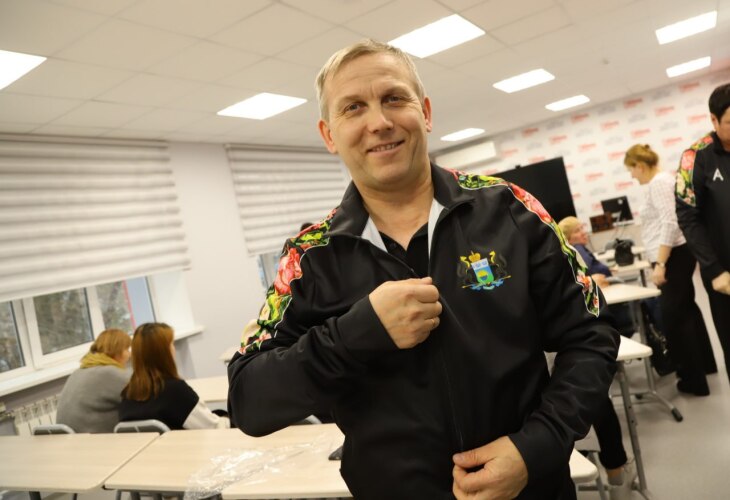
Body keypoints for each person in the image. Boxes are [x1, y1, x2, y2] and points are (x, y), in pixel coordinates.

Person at [228, 39, 619, 499]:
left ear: (426, 112)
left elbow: (591, 334)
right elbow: (248, 401)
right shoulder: (309, 258)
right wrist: (356, 333)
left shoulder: (511, 209)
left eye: (394, 98)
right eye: (353, 107)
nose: (379, 122)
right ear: (329, 135)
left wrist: (535, 446)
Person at [625, 144, 715, 396]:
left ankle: (693, 380)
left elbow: (670, 223)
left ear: (640, 166)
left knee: (675, 317)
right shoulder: (664, 181)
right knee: (687, 310)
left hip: (672, 255)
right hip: (675, 254)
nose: (632, 175)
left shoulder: (659, 183)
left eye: (631, 170)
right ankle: (705, 366)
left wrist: (661, 264)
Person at [676, 82, 730, 385]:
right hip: (724, 276)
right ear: (713, 120)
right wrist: (713, 269)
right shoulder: (693, 157)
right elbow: (688, 216)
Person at [119, 322, 229, 430]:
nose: (173, 348)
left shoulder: (128, 393)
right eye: (171, 343)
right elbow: (213, 426)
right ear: (163, 351)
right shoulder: (175, 391)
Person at [56, 328, 132, 433]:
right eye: (127, 349)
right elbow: (141, 397)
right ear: (117, 350)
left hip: (67, 438)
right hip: (93, 439)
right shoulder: (110, 373)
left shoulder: (78, 372)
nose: (129, 354)